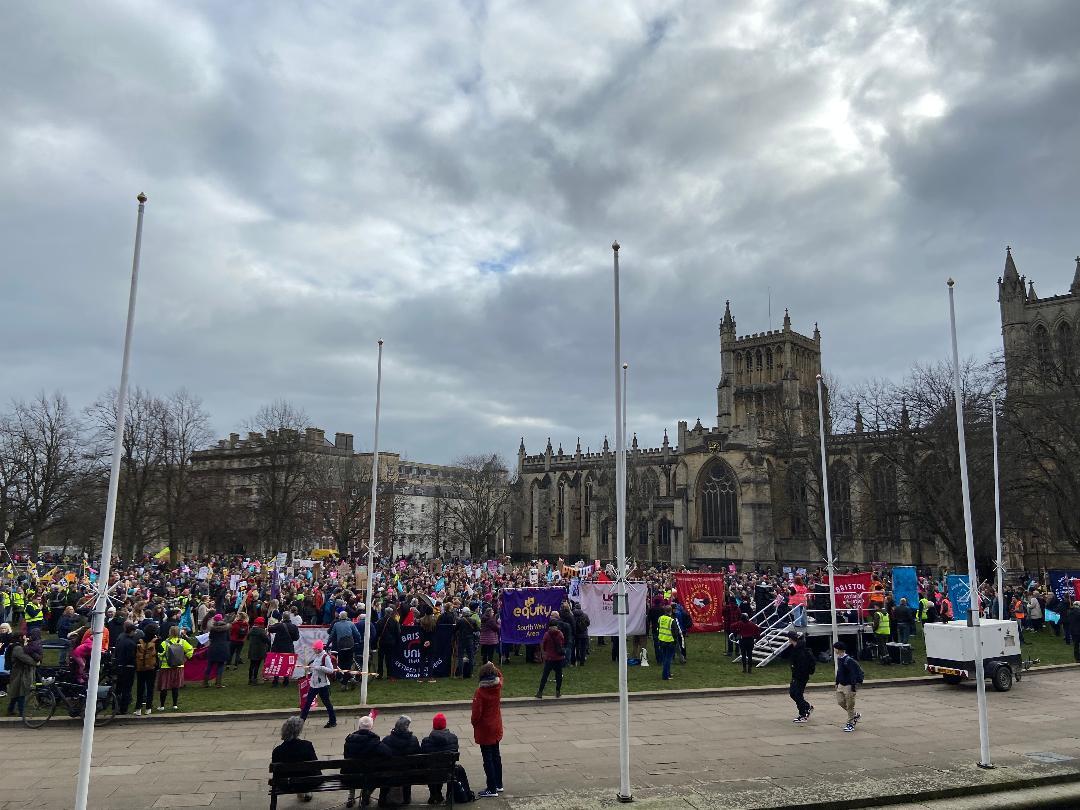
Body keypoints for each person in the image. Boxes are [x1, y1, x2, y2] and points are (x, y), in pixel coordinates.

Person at [344, 714, 391, 809]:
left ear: (359, 727)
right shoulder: (375, 742)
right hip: (370, 777)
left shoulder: (349, 741)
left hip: (352, 776)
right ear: (371, 727)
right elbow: (388, 753)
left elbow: (346, 758)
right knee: (377, 773)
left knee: (350, 768)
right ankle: (366, 794)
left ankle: (351, 797)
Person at [472, 662, 504, 798]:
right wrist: (494, 667)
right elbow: (501, 676)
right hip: (496, 725)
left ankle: (491, 788)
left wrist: (474, 723)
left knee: (488, 759)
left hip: (485, 729)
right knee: (496, 756)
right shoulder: (498, 686)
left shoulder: (480, 692)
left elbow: (476, 714)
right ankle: (498, 783)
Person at [271, 716, 318, 804]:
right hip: (308, 783)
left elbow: (276, 774)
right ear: (298, 731)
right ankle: (305, 791)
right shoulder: (307, 745)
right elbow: (315, 767)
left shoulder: (277, 751)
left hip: (286, 785)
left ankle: (301, 791)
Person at [421, 712, 463, 805]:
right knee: (443, 766)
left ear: (434, 726)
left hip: (431, 773)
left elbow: (423, 758)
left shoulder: (426, 741)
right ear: (445, 725)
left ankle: (434, 794)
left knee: (432, 767)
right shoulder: (453, 738)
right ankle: (443, 795)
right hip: (448, 772)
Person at [382, 715, 421, 806]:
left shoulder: (386, 740)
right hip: (409, 775)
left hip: (389, 775)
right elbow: (419, 759)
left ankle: (385, 797)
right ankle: (406, 797)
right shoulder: (413, 740)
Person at [299, 639, 337, 728]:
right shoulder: (317, 656)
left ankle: (333, 721)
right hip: (314, 684)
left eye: (314, 649)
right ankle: (300, 722)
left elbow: (331, 670)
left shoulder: (325, 657)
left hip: (323, 685)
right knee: (307, 703)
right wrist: (310, 669)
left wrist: (320, 668)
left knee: (327, 703)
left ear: (319, 649)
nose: (313, 650)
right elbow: (315, 668)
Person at [157, 626, 193, 711]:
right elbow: (190, 649)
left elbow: (160, 654)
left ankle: (162, 706)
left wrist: (162, 659)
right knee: (175, 686)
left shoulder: (165, 643)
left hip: (166, 667)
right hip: (178, 667)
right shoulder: (182, 642)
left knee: (164, 687)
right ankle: (175, 705)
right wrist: (185, 658)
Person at [5, 632, 40, 717]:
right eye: (24, 637)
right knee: (21, 693)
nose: (26, 639)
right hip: (20, 673)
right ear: (20, 638)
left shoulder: (15, 646)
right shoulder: (18, 648)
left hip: (17, 672)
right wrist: (36, 662)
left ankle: (10, 710)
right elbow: (27, 659)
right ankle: (22, 713)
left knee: (16, 692)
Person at [832, 641, 863, 732]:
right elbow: (839, 672)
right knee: (840, 701)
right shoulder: (839, 658)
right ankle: (854, 715)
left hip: (849, 685)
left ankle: (850, 723)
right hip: (841, 684)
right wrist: (837, 682)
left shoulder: (848, 660)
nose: (834, 650)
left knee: (850, 706)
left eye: (835, 648)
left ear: (838, 649)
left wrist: (853, 687)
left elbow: (853, 674)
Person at [786, 631, 816, 723]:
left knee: (797, 694)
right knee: (793, 693)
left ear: (791, 639)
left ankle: (803, 713)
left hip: (801, 676)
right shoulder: (795, 648)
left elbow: (802, 665)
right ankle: (806, 707)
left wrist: (798, 674)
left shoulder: (800, 651)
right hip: (796, 675)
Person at [535, 616, 565, 698]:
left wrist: (545, 653)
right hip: (558, 658)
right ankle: (558, 691)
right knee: (559, 675)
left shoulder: (547, 634)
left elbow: (543, 645)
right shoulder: (560, 634)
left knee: (545, 676)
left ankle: (540, 692)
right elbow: (562, 643)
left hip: (549, 658)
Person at [268, 612, 300, 687]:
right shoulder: (294, 627)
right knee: (287, 665)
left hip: (278, 648)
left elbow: (270, 629)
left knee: (277, 664)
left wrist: (276, 624)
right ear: (289, 618)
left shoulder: (279, 625)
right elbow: (296, 638)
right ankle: (286, 681)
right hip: (288, 648)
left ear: (283, 617)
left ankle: (275, 681)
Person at [134, 623, 159, 716]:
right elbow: (160, 650)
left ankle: (138, 708)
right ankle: (148, 707)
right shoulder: (157, 641)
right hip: (152, 667)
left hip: (140, 666)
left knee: (140, 687)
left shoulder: (139, 641)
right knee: (150, 687)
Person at [114, 621, 138, 714]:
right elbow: (130, 657)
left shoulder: (120, 637)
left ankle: (115, 706)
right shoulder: (131, 643)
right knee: (126, 689)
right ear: (131, 631)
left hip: (119, 666)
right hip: (128, 668)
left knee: (118, 688)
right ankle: (123, 708)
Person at [204, 613, 231, 688]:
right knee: (220, 665)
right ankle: (218, 683)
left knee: (209, 665)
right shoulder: (226, 629)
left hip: (213, 647)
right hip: (223, 647)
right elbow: (228, 638)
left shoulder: (212, 629)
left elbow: (210, 637)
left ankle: (205, 682)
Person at [247, 616, 271, 685]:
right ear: (261, 624)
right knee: (257, 665)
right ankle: (255, 679)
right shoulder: (261, 631)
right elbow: (267, 640)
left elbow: (248, 637)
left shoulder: (251, 630)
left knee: (252, 665)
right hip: (259, 650)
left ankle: (250, 679)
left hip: (252, 650)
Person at [656, 603, 677, 681]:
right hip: (670, 641)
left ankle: (668, 672)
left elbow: (658, 629)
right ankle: (665, 675)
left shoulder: (660, 618)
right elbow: (675, 632)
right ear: (671, 611)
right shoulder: (672, 620)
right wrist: (675, 641)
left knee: (665, 657)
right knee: (668, 659)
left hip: (662, 640)